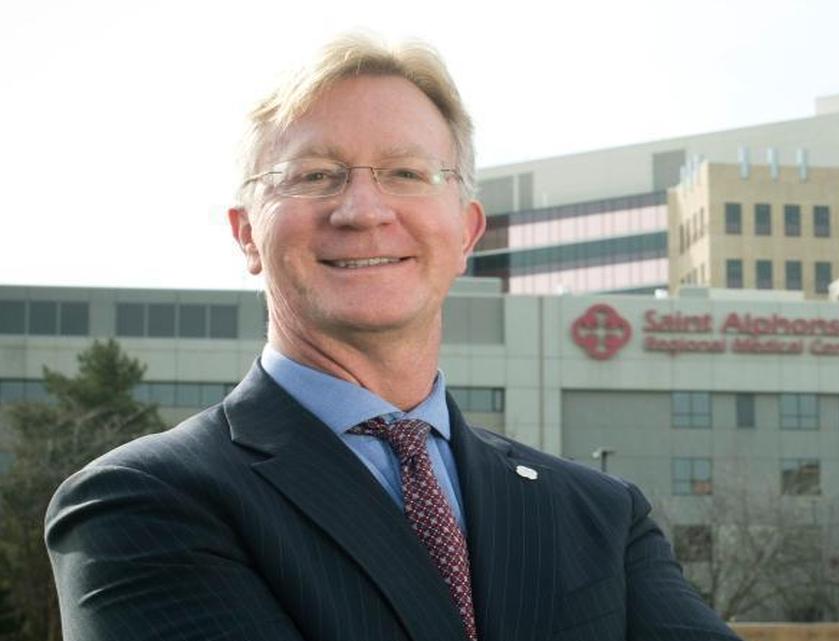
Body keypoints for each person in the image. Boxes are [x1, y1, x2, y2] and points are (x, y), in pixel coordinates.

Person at [45, 33, 741, 641]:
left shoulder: (603, 515)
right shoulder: (138, 504)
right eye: (315, 176)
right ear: (247, 234)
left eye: (407, 173)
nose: (363, 210)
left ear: (467, 232)